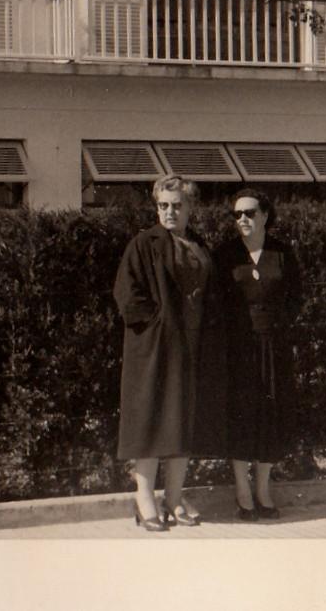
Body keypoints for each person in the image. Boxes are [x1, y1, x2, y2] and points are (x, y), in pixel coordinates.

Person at [113, 175, 226, 531]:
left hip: (192, 348)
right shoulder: (143, 244)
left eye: (177, 205)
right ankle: (144, 500)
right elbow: (127, 296)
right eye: (163, 205)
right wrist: (161, 322)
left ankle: (174, 499)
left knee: (183, 422)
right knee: (149, 420)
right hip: (155, 349)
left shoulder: (198, 245)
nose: (169, 211)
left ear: (191, 207)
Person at [214, 188, 303, 521]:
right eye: (237, 215)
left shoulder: (282, 253)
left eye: (250, 213)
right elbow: (217, 303)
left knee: (271, 414)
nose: (243, 220)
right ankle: (242, 492)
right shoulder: (225, 255)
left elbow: (296, 297)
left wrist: (277, 327)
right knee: (241, 416)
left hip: (273, 347)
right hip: (238, 349)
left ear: (266, 215)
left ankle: (263, 491)